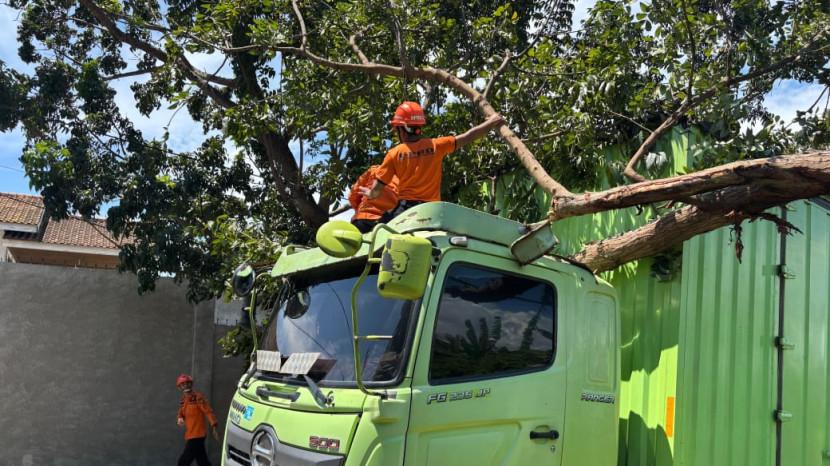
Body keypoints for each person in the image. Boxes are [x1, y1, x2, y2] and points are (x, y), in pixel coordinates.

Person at [360, 101, 505, 221]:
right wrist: (491, 122)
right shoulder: (436, 146)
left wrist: (370, 193)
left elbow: (376, 190)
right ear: (419, 127)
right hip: (433, 211)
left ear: (402, 129)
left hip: (406, 211)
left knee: (377, 230)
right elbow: (468, 136)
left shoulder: (394, 154)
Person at [176, 374, 219, 466]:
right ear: (179, 388)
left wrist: (214, 425)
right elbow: (181, 412)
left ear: (191, 384)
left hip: (198, 434)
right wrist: (180, 418)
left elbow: (208, 411)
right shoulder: (183, 400)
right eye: (183, 384)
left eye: (187, 383)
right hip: (190, 434)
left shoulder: (198, 397)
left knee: (183, 462)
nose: (186, 386)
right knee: (202, 461)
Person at [348, 165, 399, 233]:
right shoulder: (405, 180)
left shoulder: (375, 170)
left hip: (363, 219)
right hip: (388, 223)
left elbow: (353, 195)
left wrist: (358, 209)